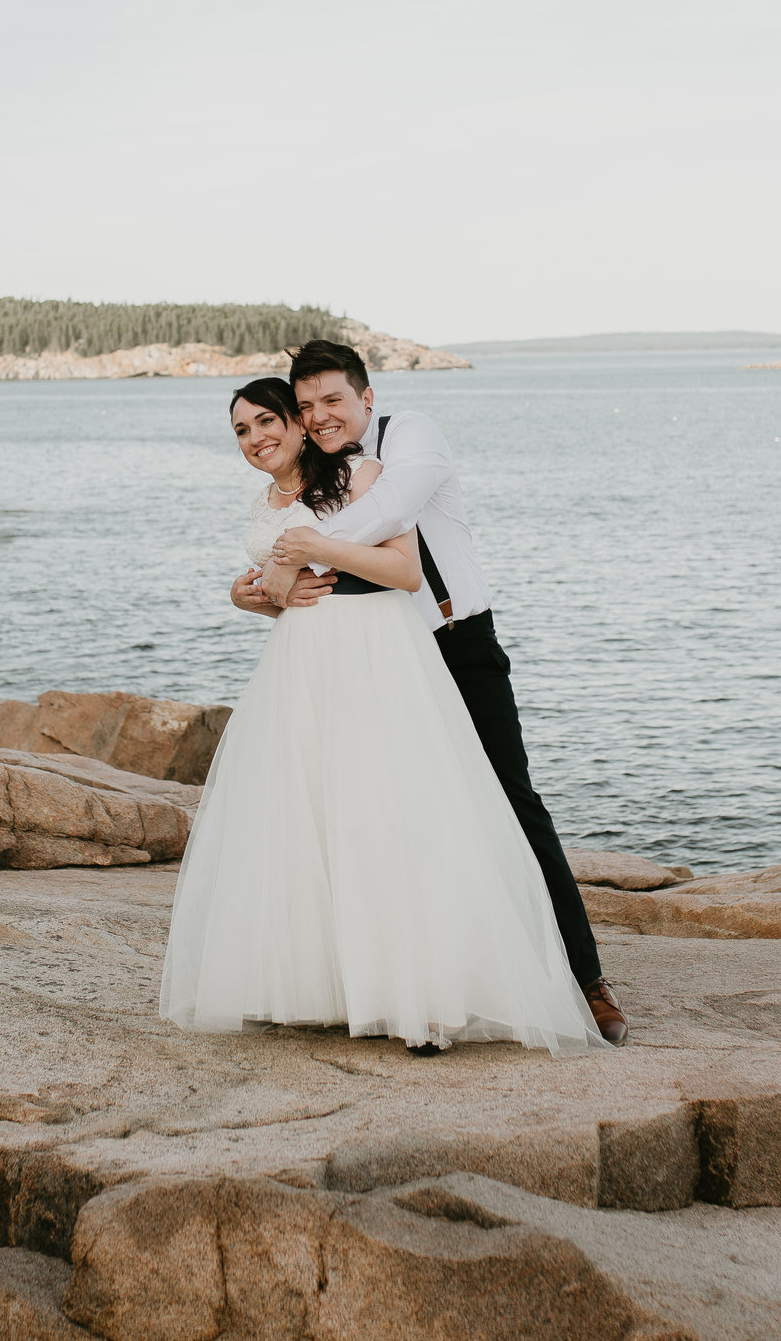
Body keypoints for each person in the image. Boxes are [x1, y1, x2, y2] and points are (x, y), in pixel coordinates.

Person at [158, 377, 606, 1056]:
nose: (257, 438)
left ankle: (468, 988)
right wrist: (251, 594)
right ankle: (328, 985)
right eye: (241, 430)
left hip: (388, 652)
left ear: (313, 418)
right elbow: (290, 585)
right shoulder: (266, 496)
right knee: (310, 815)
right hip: (301, 666)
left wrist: (299, 549)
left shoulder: (373, 469)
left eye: (269, 420)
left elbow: (402, 571)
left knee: (416, 810)